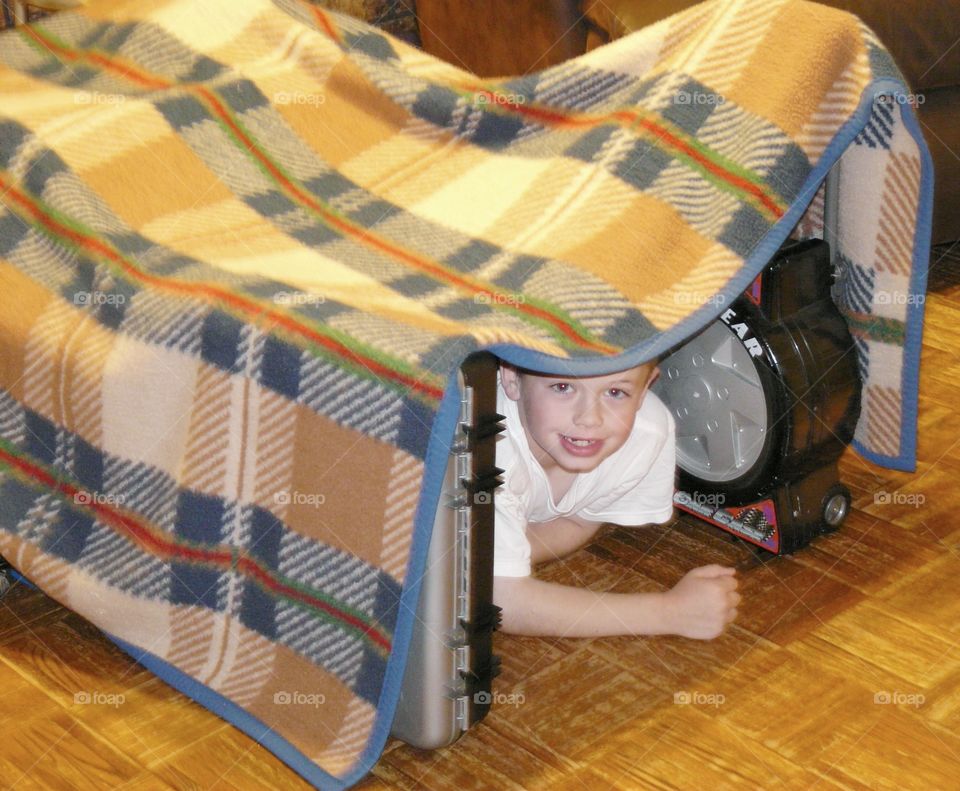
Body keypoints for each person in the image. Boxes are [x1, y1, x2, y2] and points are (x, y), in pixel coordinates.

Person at [492, 360, 739, 639]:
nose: (589, 418)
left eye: (615, 393)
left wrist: (500, 558)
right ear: (511, 378)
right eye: (562, 387)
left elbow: (579, 521)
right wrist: (669, 612)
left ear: (645, 388)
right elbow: (501, 601)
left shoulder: (647, 431)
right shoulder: (489, 453)